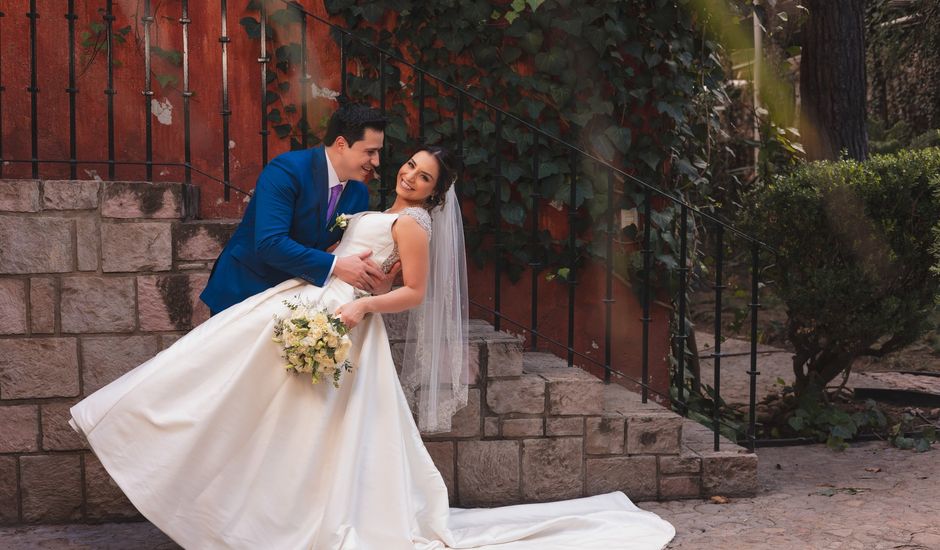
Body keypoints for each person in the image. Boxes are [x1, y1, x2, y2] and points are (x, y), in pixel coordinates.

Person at [70, 146, 675, 549]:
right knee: (240, 389)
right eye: (409, 166)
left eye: (424, 177)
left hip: (344, 319)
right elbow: (364, 263)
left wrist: (361, 305)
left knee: (286, 412)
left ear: (437, 194)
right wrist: (355, 281)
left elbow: (413, 292)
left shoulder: (412, 224)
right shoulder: (378, 209)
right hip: (314, 302)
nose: (410, 175)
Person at [200, 102, 397, 316]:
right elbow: (270, 243)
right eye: (370, 152)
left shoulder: (358, 193)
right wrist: (335, 264)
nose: (376, 161)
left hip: (297, 304)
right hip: (245, 291)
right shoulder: (287, 170)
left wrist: (377, 282)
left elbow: (346, 252)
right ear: (341, 144)